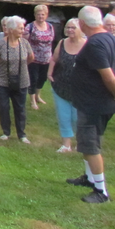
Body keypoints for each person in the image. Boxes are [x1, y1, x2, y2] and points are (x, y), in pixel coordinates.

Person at [66, 6, 115, 203]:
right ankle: (89, 178)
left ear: (82, 23)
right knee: (89, 141)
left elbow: (109, 75)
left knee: (90, 146)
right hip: (95, 102)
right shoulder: (111, 38)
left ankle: (101, 191)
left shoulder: (95, 44)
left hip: (93, 104)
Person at [0, 16, 34, 143]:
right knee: (4, 106)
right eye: (20, 28)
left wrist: (21, 67)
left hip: (22, 80)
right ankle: (6, 132)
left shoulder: (25, 43)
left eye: (23, 28)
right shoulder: (1, 43)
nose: (23, 30)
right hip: (3, 80)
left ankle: (22, 134)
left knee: (20, 108)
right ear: (11, 29)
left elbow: (31, 57)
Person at [48, 18, 86, 153]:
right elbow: (54, 59)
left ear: (80, 29)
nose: (70, 30)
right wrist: (50, 73)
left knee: (77, 117)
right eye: (68, 27)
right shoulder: (62, 43)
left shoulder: (87, 45)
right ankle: (66, 144)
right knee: (64, 115)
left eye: (73, 28)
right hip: (60, 85)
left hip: (80, 88)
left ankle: (80, 143)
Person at [24, 4, 54, 110]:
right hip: (34, 59)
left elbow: (51, 41)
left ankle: (38, 96)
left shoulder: (50, 26)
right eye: (38, 14)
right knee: (33, 78)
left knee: (42, 78)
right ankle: (32, 100)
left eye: (43, 14)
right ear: (35, 15)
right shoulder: (30, 27)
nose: (40, 16)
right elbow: (24, 42)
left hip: (46, 58)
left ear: (46, 15)